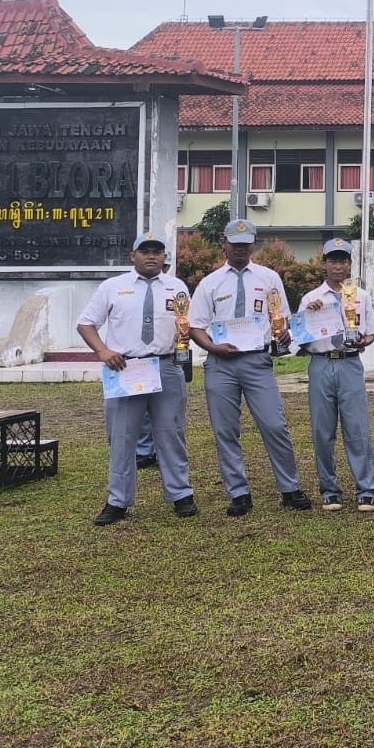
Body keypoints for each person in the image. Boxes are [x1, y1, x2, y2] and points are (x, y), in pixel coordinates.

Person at [187, 218, 311, 517]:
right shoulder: (210, 283)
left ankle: (289, 487)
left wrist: (283, 332)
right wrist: (212, 347)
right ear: (223, 244)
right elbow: (195, 326)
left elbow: (280, 316)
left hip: (257, 362)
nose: (240, 249)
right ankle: (239, 493)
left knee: (274, 425)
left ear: (253, 245)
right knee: (226, 430)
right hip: (221, 364)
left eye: (245, 244)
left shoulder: (269, 278)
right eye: (234, 243)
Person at [77, 231, 196, 525]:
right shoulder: (113, 287)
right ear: (133, 256)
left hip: (166, 367)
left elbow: (187, 324)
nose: (152, 256)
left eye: (157, 251)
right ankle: (118, 500)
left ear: (165, 257)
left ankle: (181, 495)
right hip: (125, 369)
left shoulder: (176, 287)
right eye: (145, 251)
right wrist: (103, 351)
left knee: (171, 433)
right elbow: (86, 323)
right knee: (122, 437)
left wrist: (185, 339)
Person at [297, 238, 374, 513]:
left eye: (343, 260)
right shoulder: (311, 299)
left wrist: (362, 342)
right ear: (325, 264)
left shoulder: (360, 296)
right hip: (320, 364)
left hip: (349, 363)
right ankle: (329, 490)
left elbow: (369, 334)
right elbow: (300, 339)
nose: (338, 265)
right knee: (323, 430)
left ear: (350, 264)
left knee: (357, 429)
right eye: (333, 260)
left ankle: (366, 489)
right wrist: (309, 318)